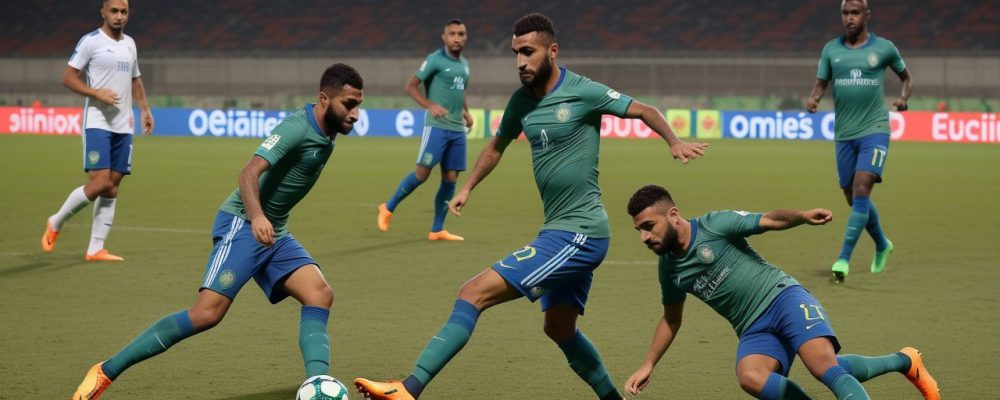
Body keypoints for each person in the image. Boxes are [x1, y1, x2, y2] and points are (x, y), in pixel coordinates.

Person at [355, 13, 707, 400]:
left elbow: (644, 110)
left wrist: (673, 141)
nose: (521, 61)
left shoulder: (582, 91)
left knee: (472, 293)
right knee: (559, 328)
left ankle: (408, 389)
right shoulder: (521, 102)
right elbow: (496, 146)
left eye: (528, 52)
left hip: (580, 234)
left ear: (552, 51)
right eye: (516, 53)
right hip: (560, 229)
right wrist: (467, 187)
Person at [71, 63, 364, 400]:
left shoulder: (328, 129)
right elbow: (248, 172)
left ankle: (317, 384)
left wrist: (266, 221)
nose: (355, 114)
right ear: (324, 99)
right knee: (206, 314)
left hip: (274, 231)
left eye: (358, 105)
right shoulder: (297, 127)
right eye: (349, 105)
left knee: (319, 294)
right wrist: (256, 217)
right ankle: (106, 371)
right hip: (242, 223)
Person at [623, 184, 939, 400]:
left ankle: (904, 361)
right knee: (751, 377)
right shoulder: (670, 270)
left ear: (673, 215)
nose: (644, 237)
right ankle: (906, 360)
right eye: (639, 230)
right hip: (752, 327)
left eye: (649, 226)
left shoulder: (714, 225)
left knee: (823, 366)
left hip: (782, 298)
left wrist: (802, 217)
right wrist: (648, 363)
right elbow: (671, 319)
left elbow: (769, 220)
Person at [806, 0, 912, 281]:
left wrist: (903, 98)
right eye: (845, 13)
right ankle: (882, 244)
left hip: (875, 129)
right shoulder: (831, 50)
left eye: (855, 13)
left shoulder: (884, 48)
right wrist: (814, 99)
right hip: (844, 134)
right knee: (852, 196)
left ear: (867, 15)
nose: (849, 18)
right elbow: (820, 84)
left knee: (862, 189)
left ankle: (843, 259)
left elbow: (906, 78)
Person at [42, 0, 154, 261]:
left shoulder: (130, 44)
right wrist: (96, 93)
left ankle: (95, 249)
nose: (119, 16)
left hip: (123, 124)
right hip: (97, 122)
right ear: (103, 12)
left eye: (124, 11)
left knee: (112, 188)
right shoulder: (90, 42)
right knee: (100, 182)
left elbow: (135, 79)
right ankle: (56, 221)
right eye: (114, 11)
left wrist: (145, 109)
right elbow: (68, 77)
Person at [377, 19, 473, 241]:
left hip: (457, 129)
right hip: (437, 127)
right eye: (452, 34)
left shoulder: (465, 64)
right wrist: (430, 106)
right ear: (444, 37)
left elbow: (460, 91)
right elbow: (410, 86)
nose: (457, 38)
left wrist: (466, 112)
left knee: (451, 178)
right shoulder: (435, 59)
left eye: (461, 34)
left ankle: (437, 229)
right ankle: (387, 208)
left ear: (466, 37)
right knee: (422, 174)